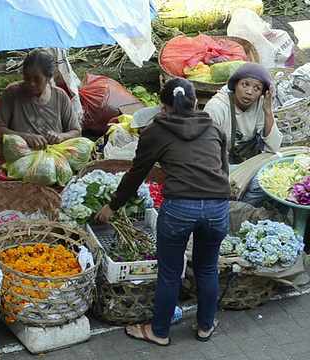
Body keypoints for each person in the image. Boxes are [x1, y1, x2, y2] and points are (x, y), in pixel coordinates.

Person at [96, 78, 231, 346]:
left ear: (162, 106)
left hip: (181, 207)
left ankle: (159, 331)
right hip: (218, 205)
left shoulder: (155, 131)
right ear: (194, 102)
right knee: (207, 268)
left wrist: (113, 206)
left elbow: (137, 174)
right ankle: (205, 326)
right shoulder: (214, 128)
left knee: (170, 271)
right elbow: (223, 171)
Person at [0, 49, 82, 178]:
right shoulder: (13, 93)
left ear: (49, 78)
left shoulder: (60, 96)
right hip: (16, 162)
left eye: (37, 79)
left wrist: (60, 137)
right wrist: (25, 137)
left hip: (50, 163)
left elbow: (76, 131)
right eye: (27, 77)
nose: (31, 84)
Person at [203, 62, 283, 207]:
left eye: (257, 88)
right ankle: (231, 210)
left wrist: (268, 112)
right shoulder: (217, 108)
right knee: (260, 182)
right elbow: (206, 153)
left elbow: (273, 147)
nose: (249, 92)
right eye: (244, 84)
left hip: (245, 162)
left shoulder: (260, 106)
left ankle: (241, 208)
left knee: (272, 178)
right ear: (235, 85)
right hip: (218, 164)